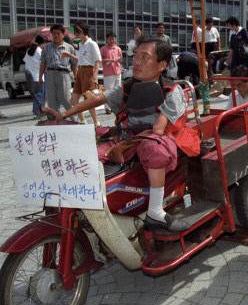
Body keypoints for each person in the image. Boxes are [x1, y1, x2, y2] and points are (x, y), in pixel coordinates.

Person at [43, 36, 199, 232]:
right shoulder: (127, 86)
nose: (136, 62)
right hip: (126, 138)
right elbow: (98, 99)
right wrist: (64, 114)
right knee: (84, 157)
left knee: (154, 147)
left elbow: (158, 130)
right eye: (135, 57)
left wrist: (126, 144)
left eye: (145, 57)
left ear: (162, 65)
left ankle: (156, 212)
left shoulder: (172, 91)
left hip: (154, 139)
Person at [62, 20, 102, 126]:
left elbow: (97, 60)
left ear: (83, 31)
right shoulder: (81, 44)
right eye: (76, 32)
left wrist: (94, 75)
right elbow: (81, 59)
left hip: (89, 70)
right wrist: (70, 56)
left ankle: (96, 123)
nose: (76, 34)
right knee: (74, 99)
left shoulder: (92, 44)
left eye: (78, 31)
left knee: (89, 99)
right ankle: (83, 121)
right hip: (80, 71)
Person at [39, 24, 77, 121]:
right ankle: (54, 121)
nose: (56, 35)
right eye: (54, 33)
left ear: (63, 35)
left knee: (65, 98)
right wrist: (40, 78)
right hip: (50, 74)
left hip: (64, 74)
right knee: (51, 100)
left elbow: (73, 64)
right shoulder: (46, 48)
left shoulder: (69, 48)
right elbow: (43, 63)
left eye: (58, 33)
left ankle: (75, 119)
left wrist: (76, 77)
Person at [23, 35, 47, 118]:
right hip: (39, 76)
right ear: (43, 43)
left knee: (36, 95)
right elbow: (44, 63)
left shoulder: (29, 50)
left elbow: (25, 62)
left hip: (30, 77)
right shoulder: (40, 51)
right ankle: (38, 113)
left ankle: (38, 112)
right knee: (40, 95)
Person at [101, 32, 123, 115]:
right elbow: (100, 60)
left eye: (113, 38)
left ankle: (116, 106)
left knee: (117, 90)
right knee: (108, 90)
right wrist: (110, 60)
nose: (112, 40)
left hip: (117, 71)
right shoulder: (103, 49)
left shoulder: (118, 49)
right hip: (108, 72)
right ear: (107, 39)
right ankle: (107, 107)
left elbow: (121, 60)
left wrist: (118, 59)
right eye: (110, 38)